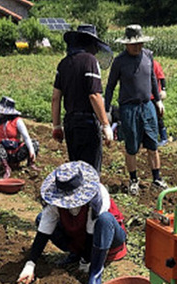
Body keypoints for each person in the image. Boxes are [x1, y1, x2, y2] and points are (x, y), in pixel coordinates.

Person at [17, 161, 127, 284]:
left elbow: (92, 232)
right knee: (41, 218)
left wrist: (86, 261)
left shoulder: (97, 196)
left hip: (108, 238)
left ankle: (96, 271)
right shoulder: (55, 200)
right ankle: (76, 253)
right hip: (80, 236)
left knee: (104, 219)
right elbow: (43, 231)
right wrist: (30, 263)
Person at [104, 24, 167, 195]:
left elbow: (153, 79)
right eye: (134, 44)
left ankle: (157, 178)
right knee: (131, 146)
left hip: (147, 106)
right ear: (126, 44)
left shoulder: (148, 55)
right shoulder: (119, 61)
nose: (137, 47)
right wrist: (106, 110)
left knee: (153, 144)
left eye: (140, 44)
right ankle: (133, 180)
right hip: (129, 108)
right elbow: (110, 87)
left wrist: (158, 100)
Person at [52, 24, 113, 173]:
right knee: (91, 171)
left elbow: (55, 98)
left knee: (76, 168)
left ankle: (78, 195)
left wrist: (56, 126)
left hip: (70, 123)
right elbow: (94, 95)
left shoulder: (63, 63)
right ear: (90, 43)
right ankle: (90, 196)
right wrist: (105, 124)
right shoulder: (90, 61)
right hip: (87, 123)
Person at [0, 96, 39, 178]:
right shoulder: (0, 122)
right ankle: (6, 168)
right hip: (5, 154)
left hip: (16, 152)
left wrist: (31, 151)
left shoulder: (17, 121)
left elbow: (26, 137)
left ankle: (30, 164)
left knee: (34, 143)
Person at [152, 59, 168, 146]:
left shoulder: (155, 64)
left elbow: (161, 78)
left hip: (155, 96)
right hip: (143, 97)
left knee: (158, 116)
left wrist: (163, 90)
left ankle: (163, 137)